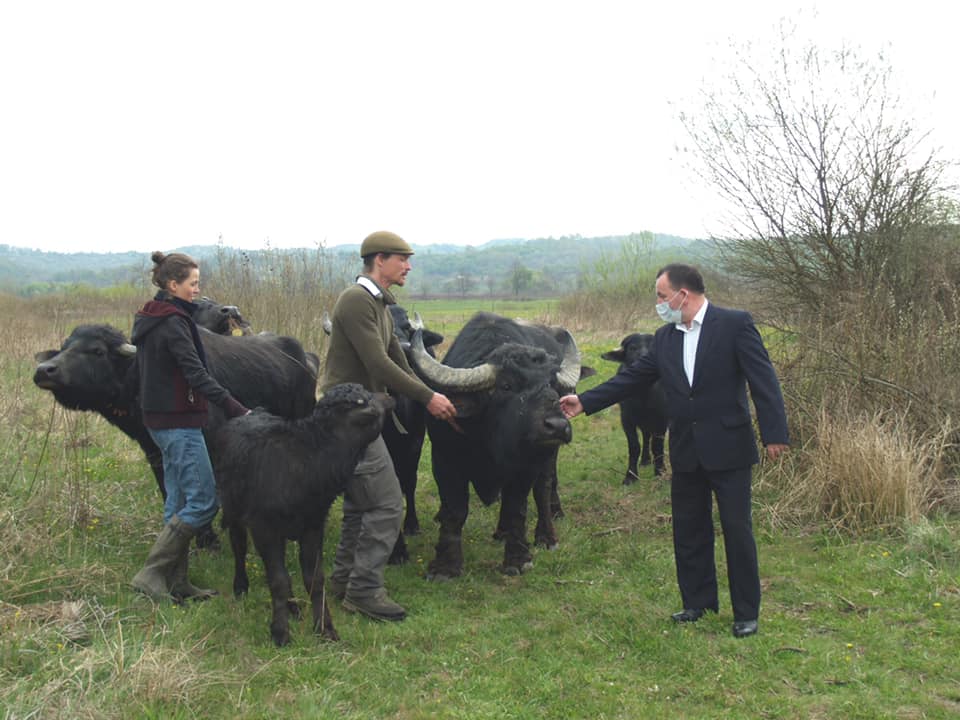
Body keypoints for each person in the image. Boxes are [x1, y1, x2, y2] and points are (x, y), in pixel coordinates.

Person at [560, 263, 788, 638]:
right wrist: (584, 402)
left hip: (728, 446)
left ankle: (746, 612)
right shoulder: (665, 338)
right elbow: (631, 378)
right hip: (685, 448)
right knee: (689, 529)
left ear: (684, 294)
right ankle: (698, 603)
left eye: (662, 296)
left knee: (736, 530)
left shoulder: (735, 324)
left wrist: (775, 432)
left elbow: (763, 379)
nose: (659, 304)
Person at [323, 230, 457, 621]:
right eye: (403, 259)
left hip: (361, 413)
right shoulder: (354, 301)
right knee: (387, 504)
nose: (409, 266)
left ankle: (344, 579)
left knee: (359, 506)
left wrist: (434, 394)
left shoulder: (379, 304)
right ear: (379, 260)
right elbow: (378, 365)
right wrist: (427, 397)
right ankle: (364, 590)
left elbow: (398, 357)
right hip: (348, 415)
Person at [129, 251, 250, 603]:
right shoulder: (173, 322)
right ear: (173, 285)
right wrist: (236, 408)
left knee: (178, 500)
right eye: (193, 283)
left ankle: (176, 583)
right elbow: (195, 373)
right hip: (178, 422)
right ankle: (152, 573)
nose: (198, 290)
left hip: (159, 420)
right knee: (204, 500)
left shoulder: (152, 318)